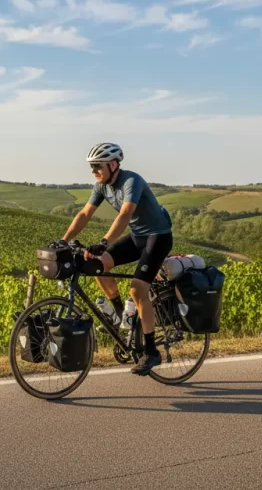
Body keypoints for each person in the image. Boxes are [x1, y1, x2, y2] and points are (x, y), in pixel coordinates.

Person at [61, 142, 173, 375]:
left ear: (113, 165)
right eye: (92, 167)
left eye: (97, 166)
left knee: (138, 289)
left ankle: (151, 352)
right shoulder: (101, 186)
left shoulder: (132, 181)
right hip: (136, 237)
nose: (93, 171)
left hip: (157, 236)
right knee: (95, 265)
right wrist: (63, 240)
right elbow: (84, 214)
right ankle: (123, 315)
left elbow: (125, 214)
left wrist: (104, 243)